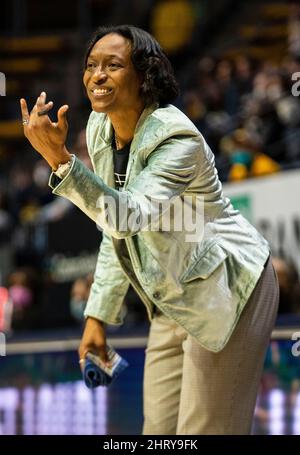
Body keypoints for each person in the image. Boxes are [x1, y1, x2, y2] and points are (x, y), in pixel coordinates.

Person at [20, 25, 279, 435]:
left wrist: (62, 163)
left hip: (227, 289)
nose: (97, 75)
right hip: (171, 298)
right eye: (91, 66)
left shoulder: (178, 139)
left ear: (145, 75)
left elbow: (126, 216)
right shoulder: (100, 129)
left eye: (113, 65)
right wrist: (97, 316)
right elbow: (113, 231)